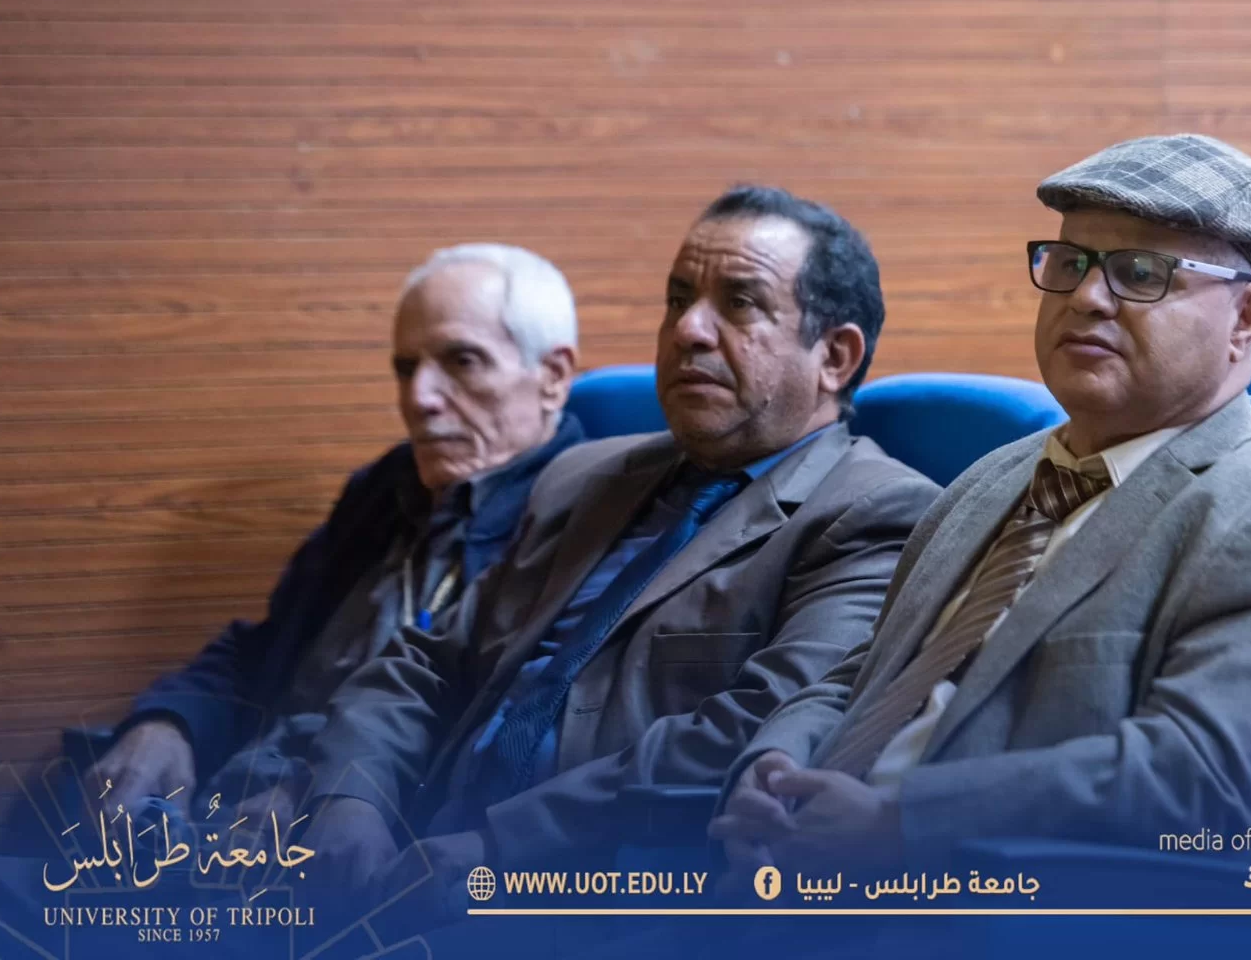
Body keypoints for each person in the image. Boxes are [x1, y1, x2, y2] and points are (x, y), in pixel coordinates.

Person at [712, 135, 1251, 872]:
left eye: (1141, 273)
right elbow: (869, 670)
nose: (1087, 298)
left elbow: (1199, 777)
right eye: (1069, 264)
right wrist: (774, 763)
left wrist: (903, 824)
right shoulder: (995, 476)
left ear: (1246, 318)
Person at [296, 185, 941, 907]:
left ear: (835, 356)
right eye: (677, 299)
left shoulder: (877, 514)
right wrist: (350, 796)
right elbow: (426, 663)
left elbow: (755, 737)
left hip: (600, 893)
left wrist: (498, 850)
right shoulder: (585, 477)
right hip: (410, 849)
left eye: (739, 302)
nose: (688, 329)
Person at [84, 243, 584, 827]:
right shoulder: (387, 488)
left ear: (552, 378)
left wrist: (326, 795)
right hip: (223, 804)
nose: (419, 398)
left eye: (462, 361)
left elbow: (510, 741)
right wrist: (171, 722)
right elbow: (266, 650)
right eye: (406, 368)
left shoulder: (585, 518)